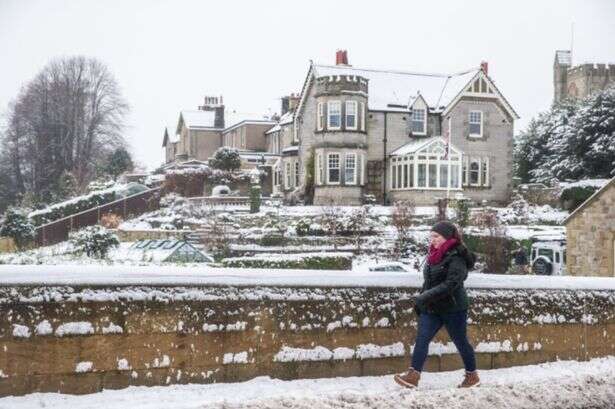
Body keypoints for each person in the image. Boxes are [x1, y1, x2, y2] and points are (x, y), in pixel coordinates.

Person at [394, 221, 480, 389]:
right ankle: (413, 376)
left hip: (453, 308)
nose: (432, 240)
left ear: (447, 237)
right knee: (422, 339)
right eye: (431, 236)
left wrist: (424, 297)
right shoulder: (433, 255)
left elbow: (451, 284)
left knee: (461, 342)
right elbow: (429, 282)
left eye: (436, 236)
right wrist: (422, 300)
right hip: (432, 307)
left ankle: (472, 376)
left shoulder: (457, 257)